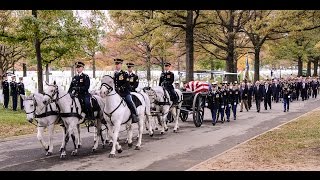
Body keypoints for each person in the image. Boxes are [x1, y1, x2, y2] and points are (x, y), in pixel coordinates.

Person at [113, 59, 139, 123]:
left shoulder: (124, 74)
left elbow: (126, 83)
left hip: (124, 92)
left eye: (118, 64)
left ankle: (135, 114)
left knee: (129, 101)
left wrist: (120, 88)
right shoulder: (114, 74)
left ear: (121, 65)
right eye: (116, 64)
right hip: (117, 93)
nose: (116, 65)